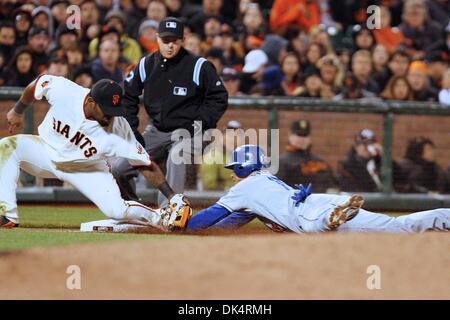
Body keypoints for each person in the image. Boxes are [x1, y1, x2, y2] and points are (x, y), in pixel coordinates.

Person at [1, 75, 191, 230]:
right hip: (45, 152)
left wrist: (171, 195)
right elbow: (36, 85)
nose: (110, 115)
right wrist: (18, 111)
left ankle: (159, 217)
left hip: (87, 169)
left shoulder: (119, 126)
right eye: (106, 110)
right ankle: (7, 215)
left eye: (114, 110)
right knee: (7, 146)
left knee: (117, 211)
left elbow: (142, 163)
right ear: (91, 102)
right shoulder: (64, 91)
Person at [186, 145, 450, 233]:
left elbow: (211, 216)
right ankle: (445, 217)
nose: (232, 174)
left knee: (312, 225)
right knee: (400, 227)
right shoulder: (261, 187)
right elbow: (229, 224)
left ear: (245, 167)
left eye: (234, 169)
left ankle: (333, 215)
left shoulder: (248, 187)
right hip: (319, 203)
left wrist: (183, 227)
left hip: (312, 214)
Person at [112, 17, 228, 206]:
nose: (170, 46)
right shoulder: (145, 65)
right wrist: (132, 132)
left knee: (176, 156)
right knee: (119, 167)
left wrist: (198, 124)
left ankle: (171, 210)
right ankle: (131, 207)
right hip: (157, 130)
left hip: (192, 132)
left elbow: (219, 98)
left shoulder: (199, 66)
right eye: (165, 41)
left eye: (175, 41)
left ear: (183, 40)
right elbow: (128, 97)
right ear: (157, 38)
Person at [277, 119, 337, 193]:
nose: (302, 139)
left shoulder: (321, 162)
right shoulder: (281, 162)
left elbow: (333, 187)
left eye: (305, 135)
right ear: (290, 135)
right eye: (299, 135)